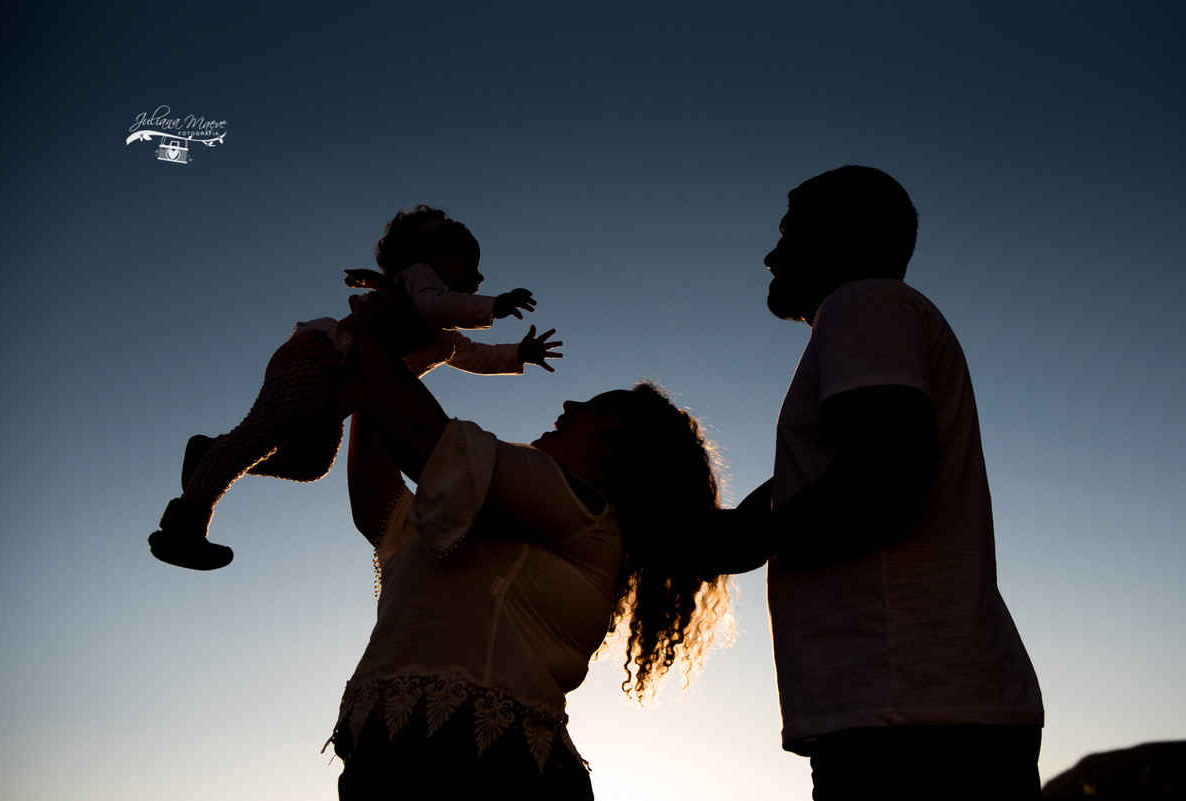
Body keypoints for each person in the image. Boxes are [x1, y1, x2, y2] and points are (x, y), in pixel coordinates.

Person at [711, 166, 1044, 799]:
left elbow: (888, 476)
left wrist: (753, 540)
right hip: (922, 709)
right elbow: (826, 477)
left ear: (841, 238)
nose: (770, 255)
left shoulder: (864, 302)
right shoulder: (878, 320)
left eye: (789, 235)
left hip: (911, 717)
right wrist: (736, 532)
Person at [327, 292, 731, 799]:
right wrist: (389, 355)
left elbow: (420, 437)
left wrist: (371, 338)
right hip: (385, 761)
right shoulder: (471, 516)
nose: (570, 404)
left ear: (626, 456)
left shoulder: (587, 515)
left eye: (599, 407)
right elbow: (378, 505)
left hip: (490, 771)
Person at [148, 206, 562, 571]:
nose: (479, 276)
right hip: (320, 362)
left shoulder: (441, 335)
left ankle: (210, 454)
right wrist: (495, 305)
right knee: (260, 436)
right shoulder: (418, 285)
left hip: (335, 398)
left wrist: (517, 356)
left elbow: (475, 356)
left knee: (311, 464)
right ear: (432, 260)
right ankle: (185, 523)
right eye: (469, 264)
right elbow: (434, 303)